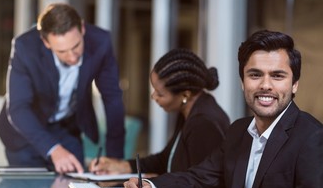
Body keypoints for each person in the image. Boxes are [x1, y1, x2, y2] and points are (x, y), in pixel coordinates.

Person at [122, 30, 323, 188]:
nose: (265, 85)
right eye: (255, 75)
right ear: (243, 82)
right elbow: (199, 179)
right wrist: (149, 187)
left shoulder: (312, 138)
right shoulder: (238, 131)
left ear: (294, 84)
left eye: (277, 76)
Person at [0, 3, 125, 174]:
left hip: (67, 130)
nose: (72, 57)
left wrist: (115, 159)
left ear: (83, 29)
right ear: (46, 42)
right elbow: (19, 108)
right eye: (62, 51)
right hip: (26, 134)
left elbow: (112, 99)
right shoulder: (25, 47)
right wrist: (53, 149)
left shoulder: (100, 42)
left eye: (76, 46)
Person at [89, 48, 230, 176]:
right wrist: (121, 166)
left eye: (160, 94)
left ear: (185, 95)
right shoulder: (189, 110)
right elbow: (166, 160)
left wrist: (155, 182)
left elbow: (200, 184)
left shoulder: (203, 123)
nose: (153, 97)